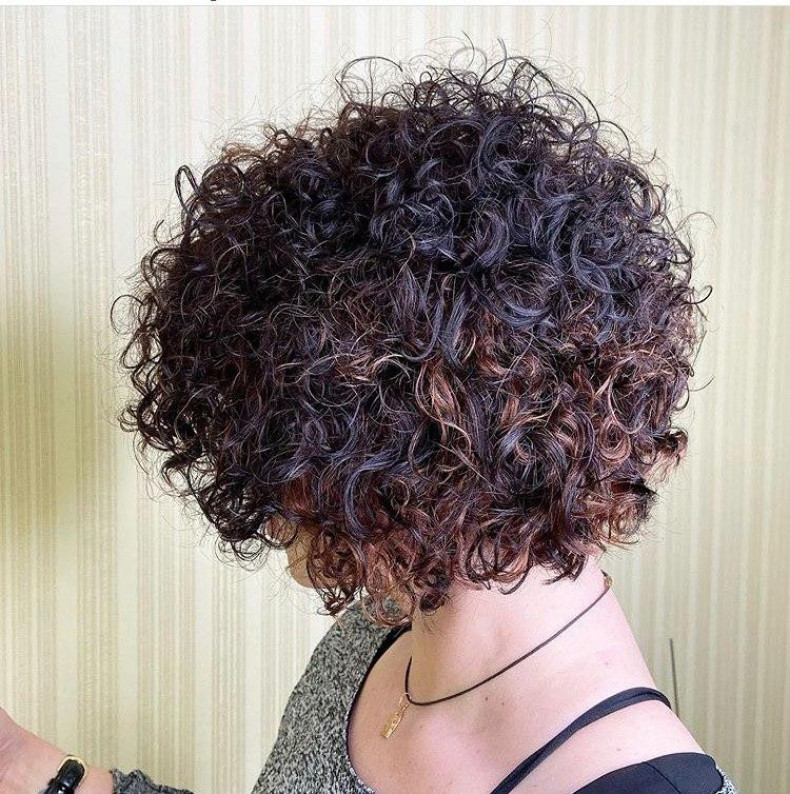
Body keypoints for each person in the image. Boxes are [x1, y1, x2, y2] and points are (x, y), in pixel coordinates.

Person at [0, 44, 740, 794]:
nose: (270, 506)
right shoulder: (382, 634)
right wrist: (28, 766)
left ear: (401, 454)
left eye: (281, 456)